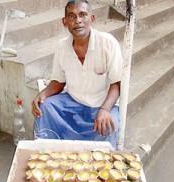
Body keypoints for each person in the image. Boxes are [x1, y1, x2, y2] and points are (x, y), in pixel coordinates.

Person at [31, 0, 122, 149]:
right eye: (72, 16)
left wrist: (105, 110)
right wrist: (43, 94)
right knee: (45, 106)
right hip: (72, 103)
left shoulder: (108, 43)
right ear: (64, 22)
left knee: (109, 125)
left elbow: (117, 83)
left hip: (103, 103)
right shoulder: (61, 47)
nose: (78, 20)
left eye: (82, 15)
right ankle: (51, 153)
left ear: (91, 19)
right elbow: (58, 82)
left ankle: (94, 163)